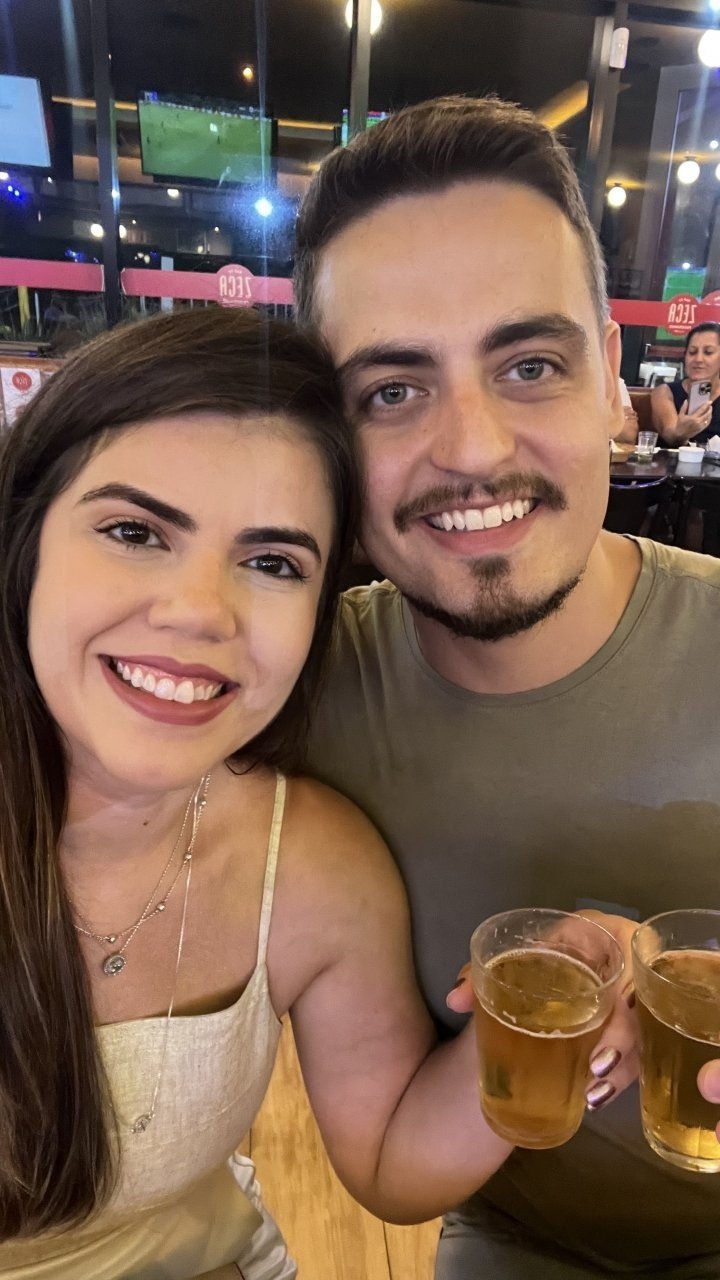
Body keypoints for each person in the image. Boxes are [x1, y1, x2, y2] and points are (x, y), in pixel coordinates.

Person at [0, 304, 561, 1279]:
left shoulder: (307, 861)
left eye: (271, 562)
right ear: (25, 539)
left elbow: (390, 1155)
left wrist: (547, 1012)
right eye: (134, 531)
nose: (197, 613)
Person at [297, 96, 720, 1277]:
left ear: (612, 382)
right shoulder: (299, 695)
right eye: (392, 391)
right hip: (516, 1234)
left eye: (530, 365)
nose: (475, 449)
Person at [650, 321, 720, 445]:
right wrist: (682, 432)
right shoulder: (664, 392)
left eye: (708, 352)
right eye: (692, 352)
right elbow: (669, 434)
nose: (698, 359)